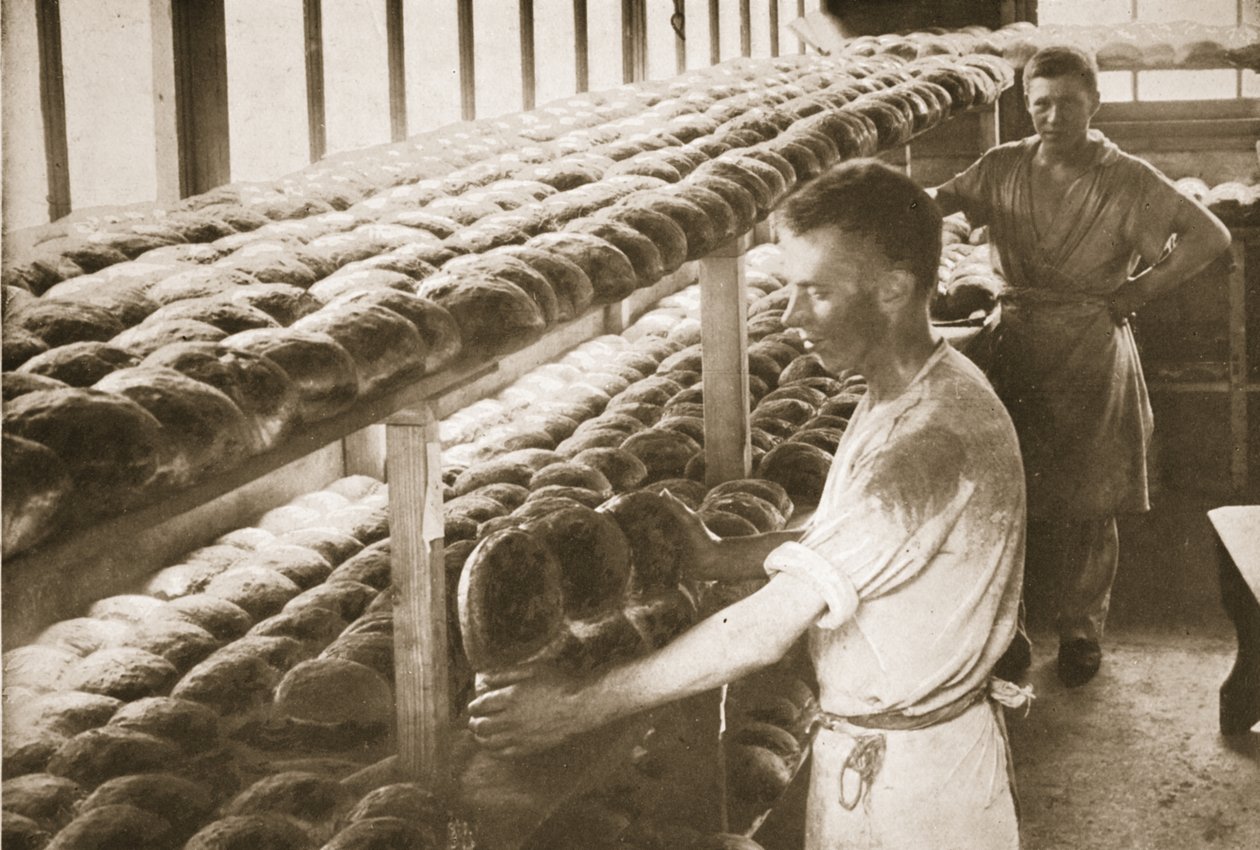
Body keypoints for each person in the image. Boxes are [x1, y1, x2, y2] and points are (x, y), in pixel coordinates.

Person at [469, 160, 1028, 850]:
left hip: (919, 797)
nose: (791, 316)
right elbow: (850, 546)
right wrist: (718, 555)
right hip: (893, 753)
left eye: (816, 293)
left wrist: (573, 710)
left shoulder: (926, 448)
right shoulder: (908, 393)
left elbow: (764, 631)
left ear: (893, 290)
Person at [932, 45, 1232, 687]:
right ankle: (1005, 632)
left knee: (1091, 498)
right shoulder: (1003, 165)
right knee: (1008, 491)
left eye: (1068, 102)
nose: (1052, 114)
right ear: (1026, 104)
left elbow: (1212, 235)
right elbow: (936, 202)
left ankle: (1080, 631)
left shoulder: (1125, 176)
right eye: (1039, 102)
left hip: (1092, 345)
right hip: (1015, 342)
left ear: (1095, 103)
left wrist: (1138, 292)